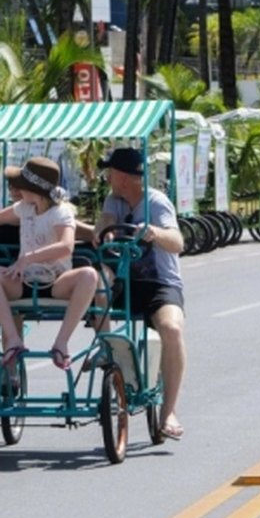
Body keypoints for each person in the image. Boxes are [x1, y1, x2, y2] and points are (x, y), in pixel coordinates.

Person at [96, 147, 187, 441]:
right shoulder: (114, 200)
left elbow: (177, 242)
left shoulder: (157, 203)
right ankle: (105, 348)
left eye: (111, 172)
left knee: (171, 329)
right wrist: (105, 231)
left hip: (159, 284)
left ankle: (169, 411)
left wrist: (154, 232)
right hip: (124, 282)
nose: (108, 177)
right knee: (95, 284)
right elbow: (104, 223)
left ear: (122, 177)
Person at [0, 157, 99, 371]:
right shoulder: (25, 208)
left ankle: (61, 342)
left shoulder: (61, 212)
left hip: (56, 282)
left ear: (32, 188)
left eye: (20, 185)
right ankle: (14, 340)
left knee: (89, 275)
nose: (15, 189)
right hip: (25, 280)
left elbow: (66, 246)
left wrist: (28, 257)